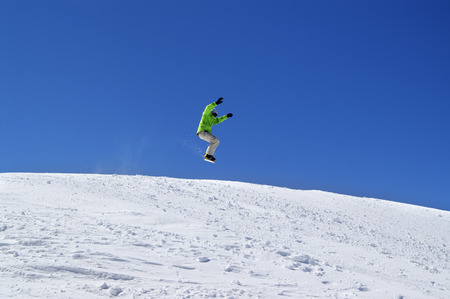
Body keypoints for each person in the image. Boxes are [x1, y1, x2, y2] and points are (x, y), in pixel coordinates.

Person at [197, 97, 233, 162]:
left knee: (216, 141)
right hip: (202, 132)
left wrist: (226, 116)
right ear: (212, 113)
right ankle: (208, 155)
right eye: (214, 114)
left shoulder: (213, 120)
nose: (215, 116)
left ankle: (209, 155)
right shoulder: (206, 115)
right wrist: (215, 103)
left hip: (205, 134)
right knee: (215, 140)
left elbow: (219, 120)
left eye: (216, 115)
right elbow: (207, 108)